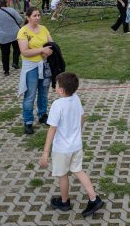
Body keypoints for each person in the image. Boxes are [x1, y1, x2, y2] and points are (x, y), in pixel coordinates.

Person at [39, 72, 104, 216]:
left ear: (61, 90)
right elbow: (82, 117)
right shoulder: (76, 98)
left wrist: (45, 152)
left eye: (56, 85)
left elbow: (52, 128)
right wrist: (77, 133)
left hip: (62, 149)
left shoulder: (57, 105)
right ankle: (94, 199)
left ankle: (64, 202)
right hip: (76, 146)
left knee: (63, 175)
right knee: (78, 170)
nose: (55, 87)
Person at [17, 7, 53, 134]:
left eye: (39, 15)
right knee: (30, 95)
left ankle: (42, 114)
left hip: (44, 65)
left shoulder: (43, 29)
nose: (37, 18)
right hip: (31, 67)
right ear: (28, 17)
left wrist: (48, 52)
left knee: (43, 93)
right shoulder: (23, 32)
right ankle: (28, 121)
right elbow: (25, 52)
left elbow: (52, 44)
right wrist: (41, 50)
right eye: (34, 15)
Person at [0, 0, 22, 76]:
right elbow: (20, 20)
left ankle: (6, 70)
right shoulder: (12, 11)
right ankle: (15, 62)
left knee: (5, 54)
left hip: (3, 37)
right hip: (15, 34)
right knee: (17, 49)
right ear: (6, 3)